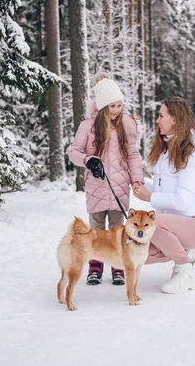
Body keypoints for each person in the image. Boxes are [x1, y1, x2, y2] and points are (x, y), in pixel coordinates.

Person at [68, 75, 144, 286]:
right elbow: (73, 151)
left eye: (120, 105)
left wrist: (137, 179)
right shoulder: (88, 127)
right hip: (96, 187)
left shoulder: (125, 127)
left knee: (118, 230)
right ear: (102, 106)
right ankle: (95, 267)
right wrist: (88, 160)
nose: (117, 110)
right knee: (97, 231)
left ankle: (118, 267)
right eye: (112, 105)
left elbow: (133, 156)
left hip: (119, 188)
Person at [133, 96, 195, 294]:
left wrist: (149, 198)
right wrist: (138, 183)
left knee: (152, 223)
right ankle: (185, 253)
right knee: (135, 250)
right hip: (172, 226)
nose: (158, 120)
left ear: (174, 119)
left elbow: (182, 200)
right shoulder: (166, 150)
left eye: (161, 116)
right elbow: (164, 193)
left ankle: (186, 272)